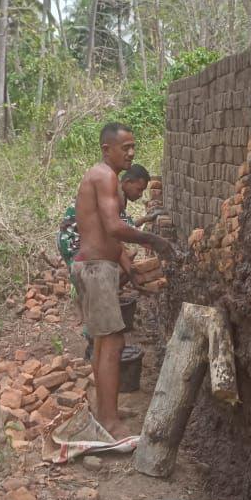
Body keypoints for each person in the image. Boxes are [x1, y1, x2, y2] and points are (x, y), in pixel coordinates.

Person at [73, 124, 174, 438]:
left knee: (105, 342)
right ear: (107, 149)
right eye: (124, 147)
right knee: (112, 342)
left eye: (133, 146)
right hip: (95, 269)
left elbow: (109, 238)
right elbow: (115, 228)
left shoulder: (109, 180)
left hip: (97, 266)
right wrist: (155, 241)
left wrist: (130, 270)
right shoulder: (104, 176)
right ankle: (108, 421)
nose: (131, 152)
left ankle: (108, 410)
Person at [58, 165, 151, 358]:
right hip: (74, 242)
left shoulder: (117, 195)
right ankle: (91, 336)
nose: (140, 195)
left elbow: (119, 236)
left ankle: (95, 330)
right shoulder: (112, 193)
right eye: (139, 189)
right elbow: (122, 230)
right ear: (127, 182)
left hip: (82, 242)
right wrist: (153, 240)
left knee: (111, 275)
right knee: (92, 282)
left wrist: (130, 269)